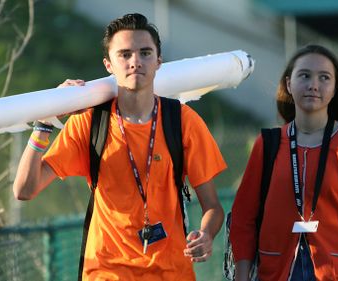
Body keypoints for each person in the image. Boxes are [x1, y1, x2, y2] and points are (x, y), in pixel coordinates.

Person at [13, 13, 226, 280]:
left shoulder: (182, 121)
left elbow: (214, 207)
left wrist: (206, 235)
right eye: (124, 54)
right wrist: (45, 121)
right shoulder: (90, 122)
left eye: (145, 53)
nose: (135, 61)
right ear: (108, 65)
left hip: (171, 272)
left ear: (159, 61)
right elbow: (24, 189)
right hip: (105, 272)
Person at [230, 44, 338, 281]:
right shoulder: (267, 144)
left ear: (335, 88)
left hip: (337, 273)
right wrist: (241, 276)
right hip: (277, 271)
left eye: (324, 78)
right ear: (288, 84)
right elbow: (244, 218)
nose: (313, 85)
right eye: (304, 75)